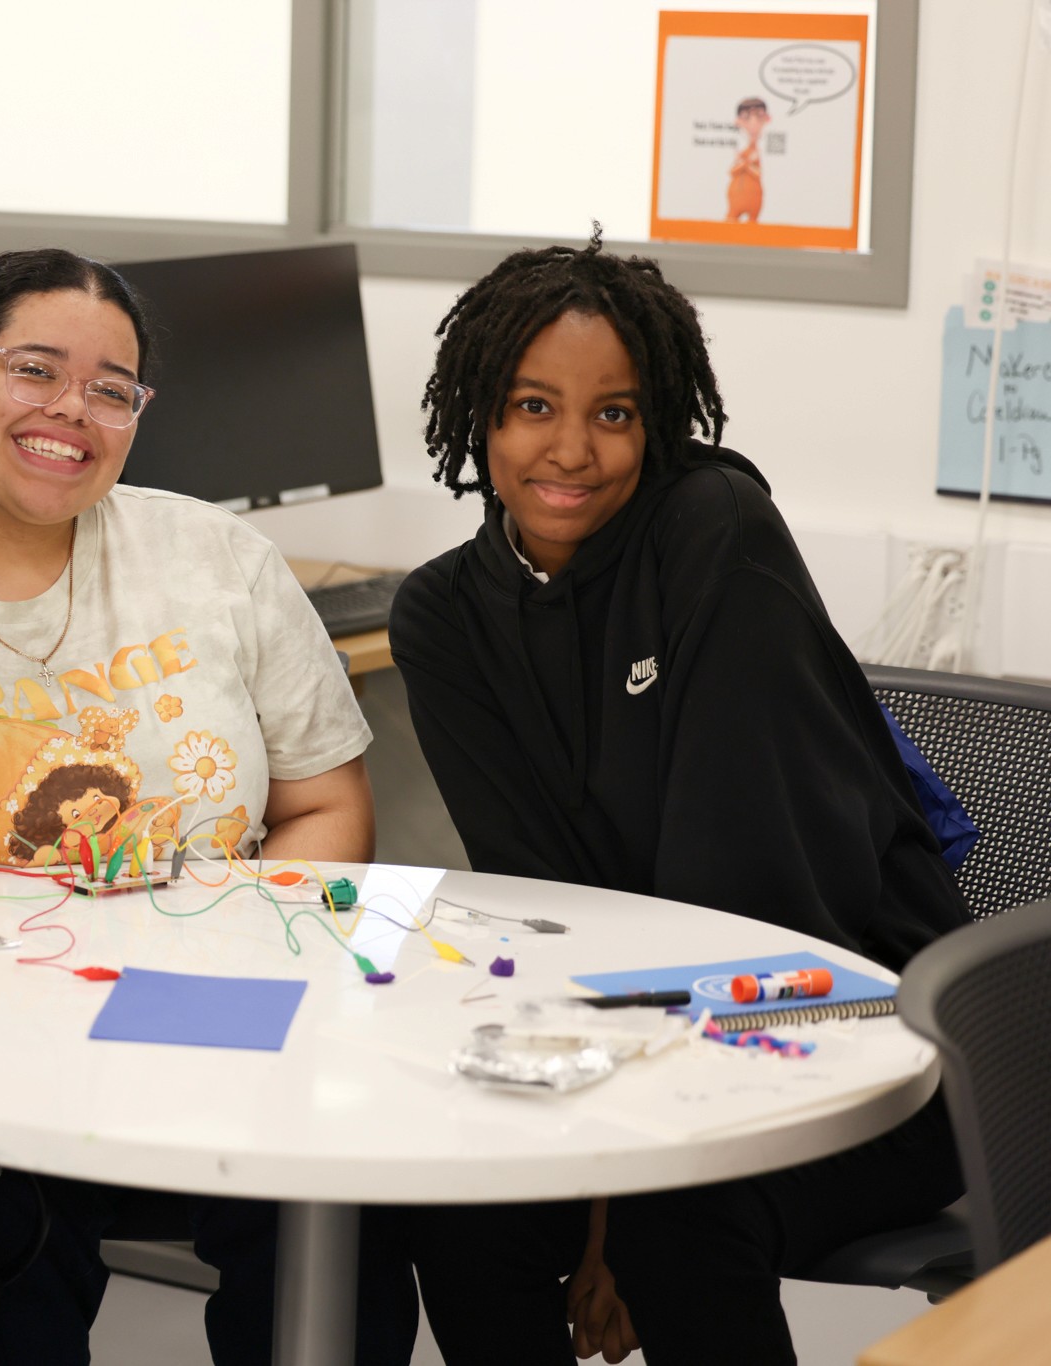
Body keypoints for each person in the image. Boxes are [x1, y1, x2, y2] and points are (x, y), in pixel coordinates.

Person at [389, 235, 969, 1365]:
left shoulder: (714, 536)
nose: (570, 449)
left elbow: (751, 900)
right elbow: (550, 906)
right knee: (458, 1206)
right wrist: (603, 1171)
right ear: (477, 419)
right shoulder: (442, 618)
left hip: (860, 1035)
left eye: (613, 413)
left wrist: (615, 1196)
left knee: (674, 1226)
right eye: (528, 406)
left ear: (656, 422)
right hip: (626, 1046)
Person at [0, 249, 397, 1366]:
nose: (69, 413)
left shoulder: (215, 558)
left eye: (109, 388)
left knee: (346, 1234)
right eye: (34, 370)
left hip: (207, 1019)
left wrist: (224, 975)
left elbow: (326, 801)